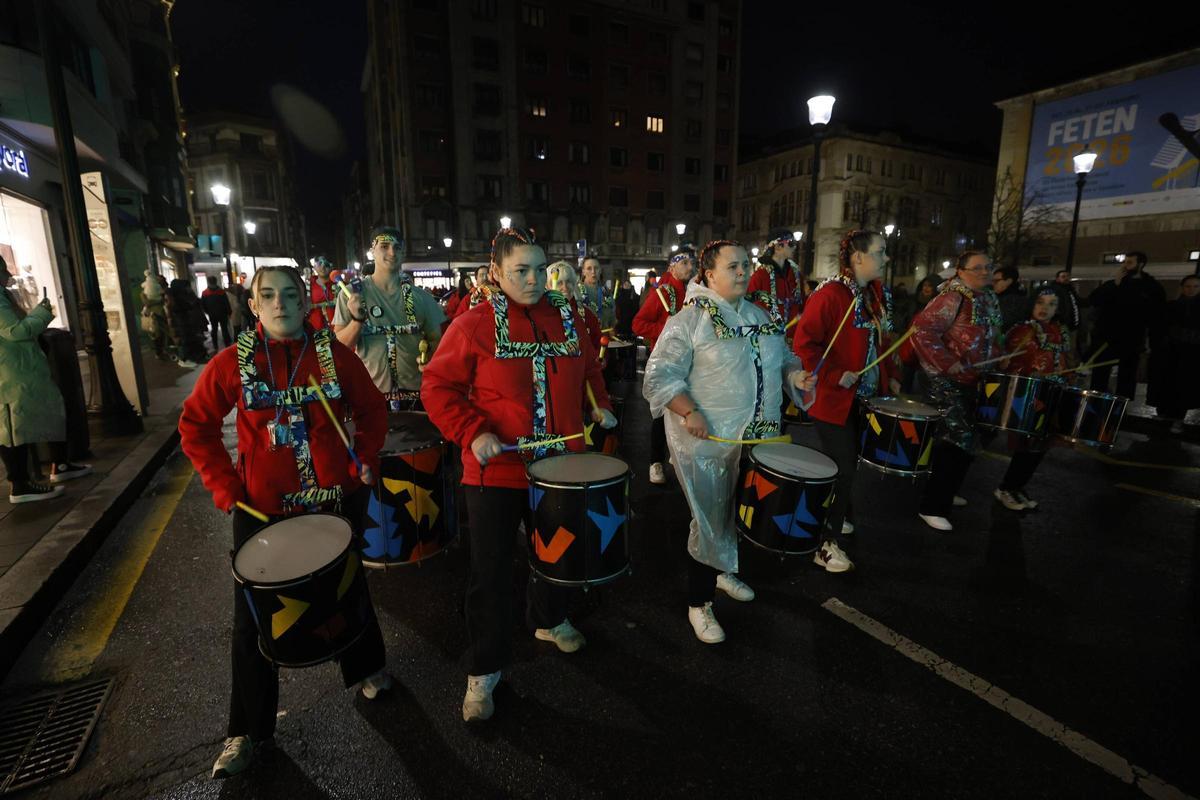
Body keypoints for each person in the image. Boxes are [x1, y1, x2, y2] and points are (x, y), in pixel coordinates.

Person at [178, 266, 392, 779]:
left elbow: (372, 409)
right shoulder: (232, 362)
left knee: (348, 591)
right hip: (263, 511)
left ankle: (366, 668)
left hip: (332, 501)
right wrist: (226, 488)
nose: (280, 304)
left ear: (306, 303)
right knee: (252, 619)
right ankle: (247, 729)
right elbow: (196, 426)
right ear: (254, 306)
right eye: (268, 296)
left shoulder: (333, 355)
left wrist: (363, 458)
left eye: (290, 295)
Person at [421, 227, 616, 722]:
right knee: (490, 573)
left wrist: (600, 404)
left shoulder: (568, 316)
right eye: (520, 271)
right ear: (496, 272)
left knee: (557, 553)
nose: (532, 279)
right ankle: (484, 668)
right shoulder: (473, 323)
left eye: (538, 268)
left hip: (561, 465)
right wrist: (472, 432)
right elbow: (437, 387)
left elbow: (590, 371)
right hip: (497, 473)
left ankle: (549, 618)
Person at [643, 240, 806, 643]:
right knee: (710, 518)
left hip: (758, 437)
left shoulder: (757, 314)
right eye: (732, 266)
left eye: (745, 264)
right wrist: (688, 411)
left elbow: (783, 358)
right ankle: (699, 602)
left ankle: (725, 569)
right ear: (709, 274)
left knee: (740, 510)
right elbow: (660, 376)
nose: (743, 271)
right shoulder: (689, 320)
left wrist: (795, 377)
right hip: (710, 441)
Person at [792, 230, 901, 572]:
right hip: (831, 399)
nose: (886, 258)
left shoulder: (875, 294)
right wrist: (834, 373)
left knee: (848, 463)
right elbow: (804, 343)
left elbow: (881, 341)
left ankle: (841, 516)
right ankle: (824, 543)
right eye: (880, 252)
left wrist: (889, 374)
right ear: (858, 257)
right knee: (842, 468)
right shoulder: (830, 294)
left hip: (862, 396)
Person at [911, 250, 1006, 531]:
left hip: (978, 379)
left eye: (988, 267)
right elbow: (922, 331)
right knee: (956, 439)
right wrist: (946, 361)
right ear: (960, 271)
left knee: (975, 436)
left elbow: (993, 335)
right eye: (977, 268)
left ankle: (948, 491)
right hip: (946, 380)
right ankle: (932, 505)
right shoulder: (953, 297)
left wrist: (1001, 356)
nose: (984, 272)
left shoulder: (987, 298)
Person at [0, 256, 92, 503]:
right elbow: (16, 331)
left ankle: (59, 465)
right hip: (10, 373)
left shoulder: (4, 295)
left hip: (20, 369)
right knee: (12, 427)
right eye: (3, 270)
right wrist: (41, 313)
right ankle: (20, 485)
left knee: (48, 411)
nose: (8, 275)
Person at [333, 227, 446, 410]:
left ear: (403, 252)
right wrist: (356, 320)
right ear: (372, 251)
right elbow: (339, 347)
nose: (392, 252)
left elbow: (437, 340)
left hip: (416, 396)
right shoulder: (352, 294)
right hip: (370, 396)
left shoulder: (421, 297)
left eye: (397, 247)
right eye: (384, 246)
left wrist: (428, 356)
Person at [993, 287, 1076, 510]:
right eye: (1040, 302)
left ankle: (1017, 487)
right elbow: (1009, 364)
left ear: (1059, 309)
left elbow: (1067, 361)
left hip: (1053, 395)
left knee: (1041, 445)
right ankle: (1006, 488)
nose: (1044, 308)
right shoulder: (1022, 331)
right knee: (1026, 445)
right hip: (1028, 395)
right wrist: (1008, 364)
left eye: (1051, 304)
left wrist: (1070, 374)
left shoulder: (1061, 332)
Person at [633, 250, 696, 484]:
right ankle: (655, 462)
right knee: (661, 412)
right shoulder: (662, 293)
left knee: (686, 410)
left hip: (688, 361)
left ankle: (677, 456)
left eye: (692, 262)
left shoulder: (693, 292)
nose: (690, 267)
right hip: (665, 362)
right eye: (684, 262)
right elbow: (638, 324)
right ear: (672, 267)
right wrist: (666, 328)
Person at [1086, 251, 1166, 401]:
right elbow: (1094, 300)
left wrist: (1152, 341)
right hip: (1106, 336)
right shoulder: (1115, 283)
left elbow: (1157, 315)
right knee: (1100, 372)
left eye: (1129, 262)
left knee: (1127, 374)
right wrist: (1115, 284)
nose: (1125, 266)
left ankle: (1122, 404)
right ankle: (1096, 401)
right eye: (1125, 262)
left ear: (1140, 264)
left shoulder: (1151, 287)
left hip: (1132, 337)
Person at [1148, 275, 1200, 433]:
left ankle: (1178, 418)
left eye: (1195, 286)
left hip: (1191, 354)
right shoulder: (1172, 306)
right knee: (1166, 381)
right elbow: (1160, 326)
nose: (1191, 290)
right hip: (1170, 352)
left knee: (1184, 385)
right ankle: (1163, 413)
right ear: (1182, 287)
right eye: (1188, 286)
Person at [747, 232, 804, 323]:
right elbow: (750, 308)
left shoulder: (796, 275)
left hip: (794, 330)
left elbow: (802, 303)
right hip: (769, 330)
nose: (794, 247)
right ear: (777, 246)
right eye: (791, 243)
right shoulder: (760, 276)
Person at [167, 278, 207, 366]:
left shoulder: (177, 296)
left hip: (185, 322)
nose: (188, 288)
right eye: (186, 287)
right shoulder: (177, 298)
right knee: (187, 340)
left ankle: (194, 357)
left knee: (189, 340)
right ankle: (192, 358)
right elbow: (188, 306)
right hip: (183, 323)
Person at [579, 255, 617, 331]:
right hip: (584, 335)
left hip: (604, 334)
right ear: (583, 272)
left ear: (600, 270)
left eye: (596, 268)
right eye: (589, 268)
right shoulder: (577, 292)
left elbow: (612, 316)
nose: (593, 272)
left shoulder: (606, 292)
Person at [614, 277, 640, 381]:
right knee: (623, 352)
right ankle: (623, 373)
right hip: (622, 329)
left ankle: (629, 374)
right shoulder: (620, 298)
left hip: (630, 328)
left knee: (630, 353)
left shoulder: (634, 298)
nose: (627, 286)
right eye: (625, 284)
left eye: (628, 284)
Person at [141, 269, 170, 360]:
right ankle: (159, 351)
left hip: (159, 314)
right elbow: (147, 303)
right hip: (154, 315)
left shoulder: (161, 291)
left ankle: (161, 350)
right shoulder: (146, 293)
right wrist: (158, 301)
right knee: (157, 334)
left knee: (161, 333)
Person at [201, 275, 233, 351]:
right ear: (216, 282)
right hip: (222, 314)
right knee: (224, 329)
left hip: (212, 315)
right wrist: (229, 312)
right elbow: (226, 303)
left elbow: (203, 305)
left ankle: (215, 346)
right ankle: (227, 345)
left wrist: (207, 312)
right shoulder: (221, 292)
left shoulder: (205, 293)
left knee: (214, 330)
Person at [992, 265, 1027, 333]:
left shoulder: (1013, 301)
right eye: (993, 281)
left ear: (1008, 281)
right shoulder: (999, 297)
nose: (993, 284)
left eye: (996, 281)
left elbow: (1001, 322)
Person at [307, 256, 337, 330]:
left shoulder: (338, 284)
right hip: (314, 328)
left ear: (331, 267)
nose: (323, 267)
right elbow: (307, 306)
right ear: (314, 267)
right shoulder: (308, 284)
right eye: (319, 263)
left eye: (326, 264)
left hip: (336, 328)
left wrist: (316, 305)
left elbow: (338, 302)